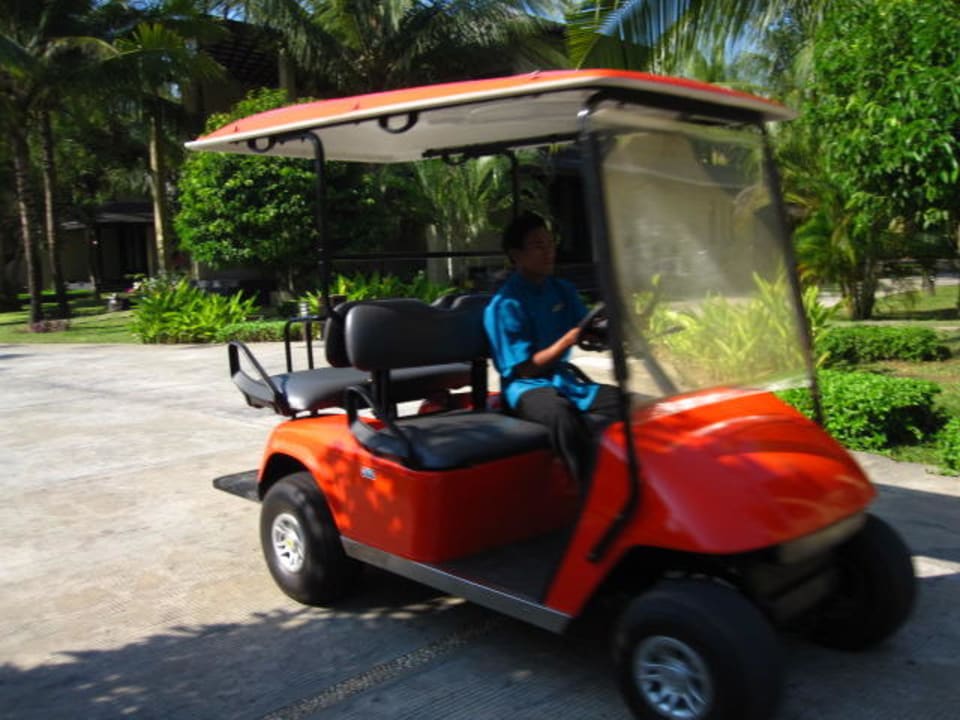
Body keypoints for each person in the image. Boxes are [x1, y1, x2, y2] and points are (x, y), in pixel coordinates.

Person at [483, 212, 620, 493]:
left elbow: (586, 327)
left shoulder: (562, 290)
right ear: (516, 255)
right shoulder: (504, 306)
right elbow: (525, 369)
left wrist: (610, 329)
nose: (549, 252)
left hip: (565, 382)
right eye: (538, 246)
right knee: (561, 415)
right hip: (525, 388)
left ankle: (635, 481)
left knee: (628, 404)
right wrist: (567, 341)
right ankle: (593, 496)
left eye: (550, 244)